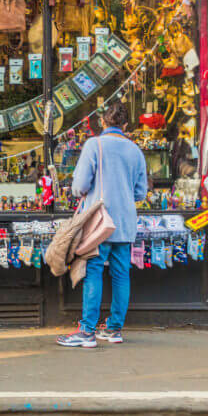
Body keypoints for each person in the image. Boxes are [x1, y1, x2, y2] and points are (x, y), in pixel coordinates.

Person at [58, 102, 148, 348]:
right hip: (125, 223)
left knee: (94, 271)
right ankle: (114, 328)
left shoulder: (94, 145)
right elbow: (140, 193)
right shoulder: (135, 150)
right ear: (125, 125)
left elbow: (80, 186)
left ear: (103, 123)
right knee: (121, 274)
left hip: (99, 223)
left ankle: (86, 331)